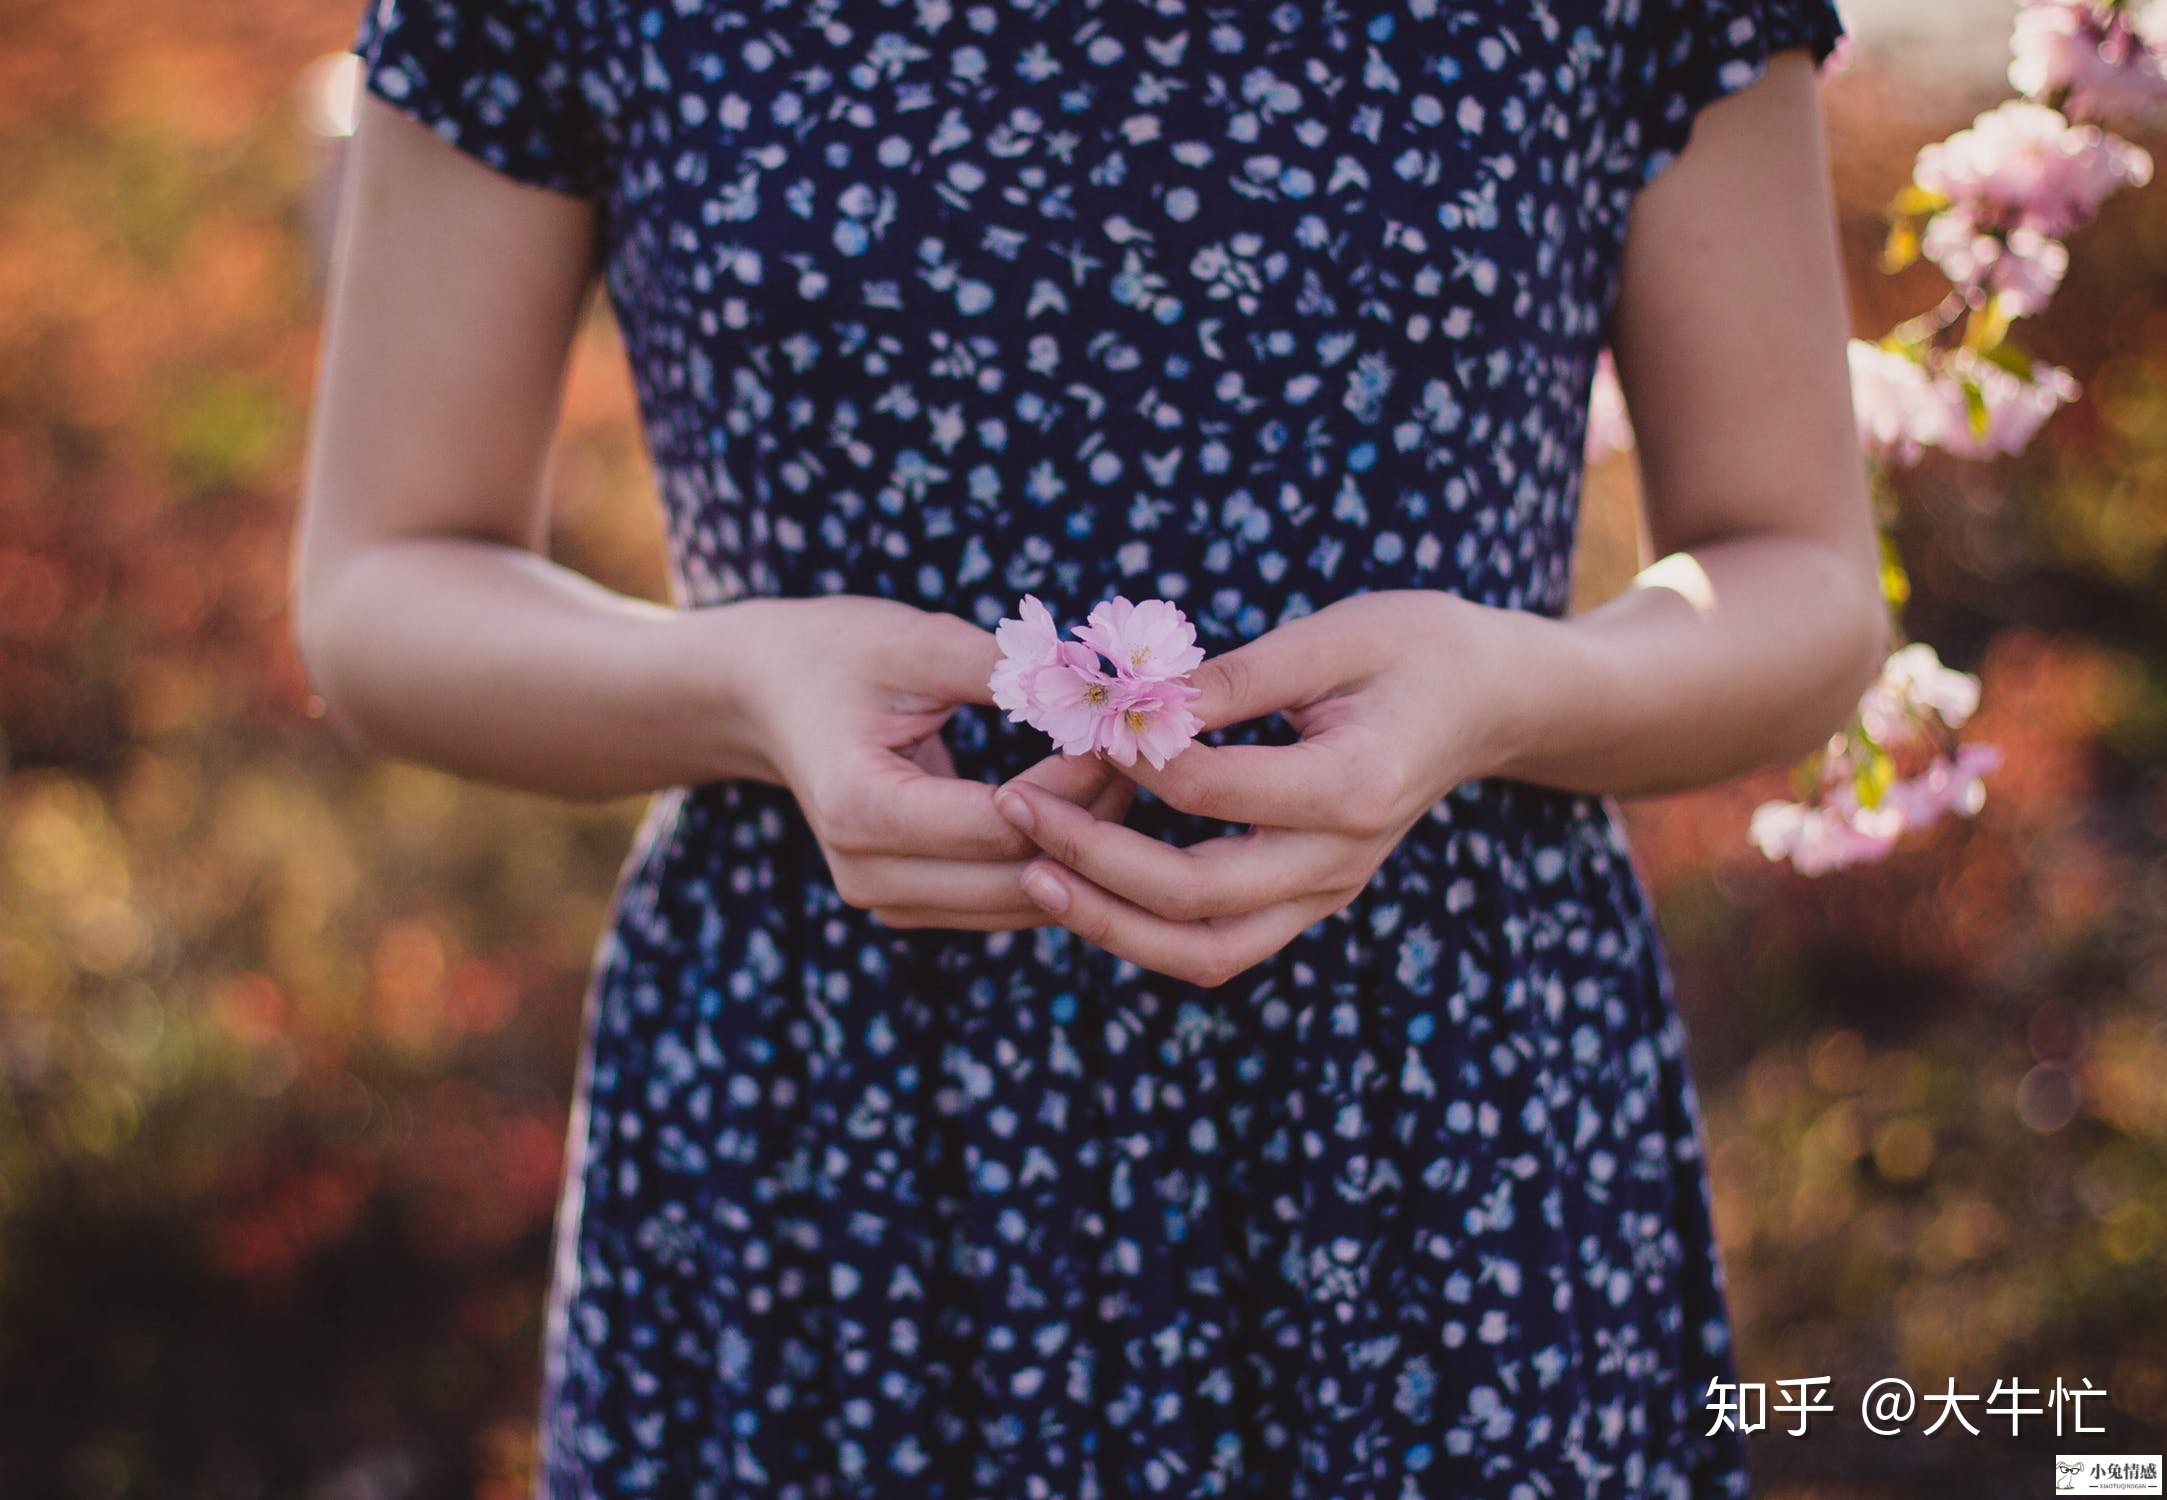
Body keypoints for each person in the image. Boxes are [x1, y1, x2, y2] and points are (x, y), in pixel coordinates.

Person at [292, 0, 1885, 1493]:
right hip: (826, 1127)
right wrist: (740, 684)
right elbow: (381, 587)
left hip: (1433, 1121)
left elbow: (1800, 578)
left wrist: (1510, 687)